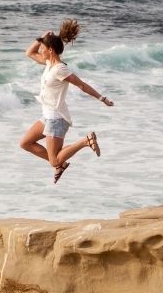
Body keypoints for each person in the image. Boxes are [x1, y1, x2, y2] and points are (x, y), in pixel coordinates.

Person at [19, 19, 114, 183]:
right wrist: (41, 37)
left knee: (54, 160)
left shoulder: (60, 69)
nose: (40, 50)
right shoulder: (48, 63)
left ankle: (86, 141)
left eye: (43, 47)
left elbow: (82, 85)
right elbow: (29, 53)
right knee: (25, 143)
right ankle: (59, 164)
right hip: (47, 116)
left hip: (56, 118)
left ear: (50, 50)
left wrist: (102, 98)